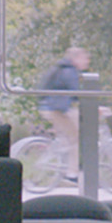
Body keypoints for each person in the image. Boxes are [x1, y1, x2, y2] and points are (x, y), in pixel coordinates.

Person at [37, 47, 92, 177]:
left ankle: (60, 155)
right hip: (55, 109)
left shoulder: (61, 68)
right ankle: (72, 173)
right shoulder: (69, 71)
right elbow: (76, 93)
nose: (87, 61)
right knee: (76, 138)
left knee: (69, 132)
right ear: (76, 58)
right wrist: (95, 106)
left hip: (51, 107)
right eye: (85, 58)